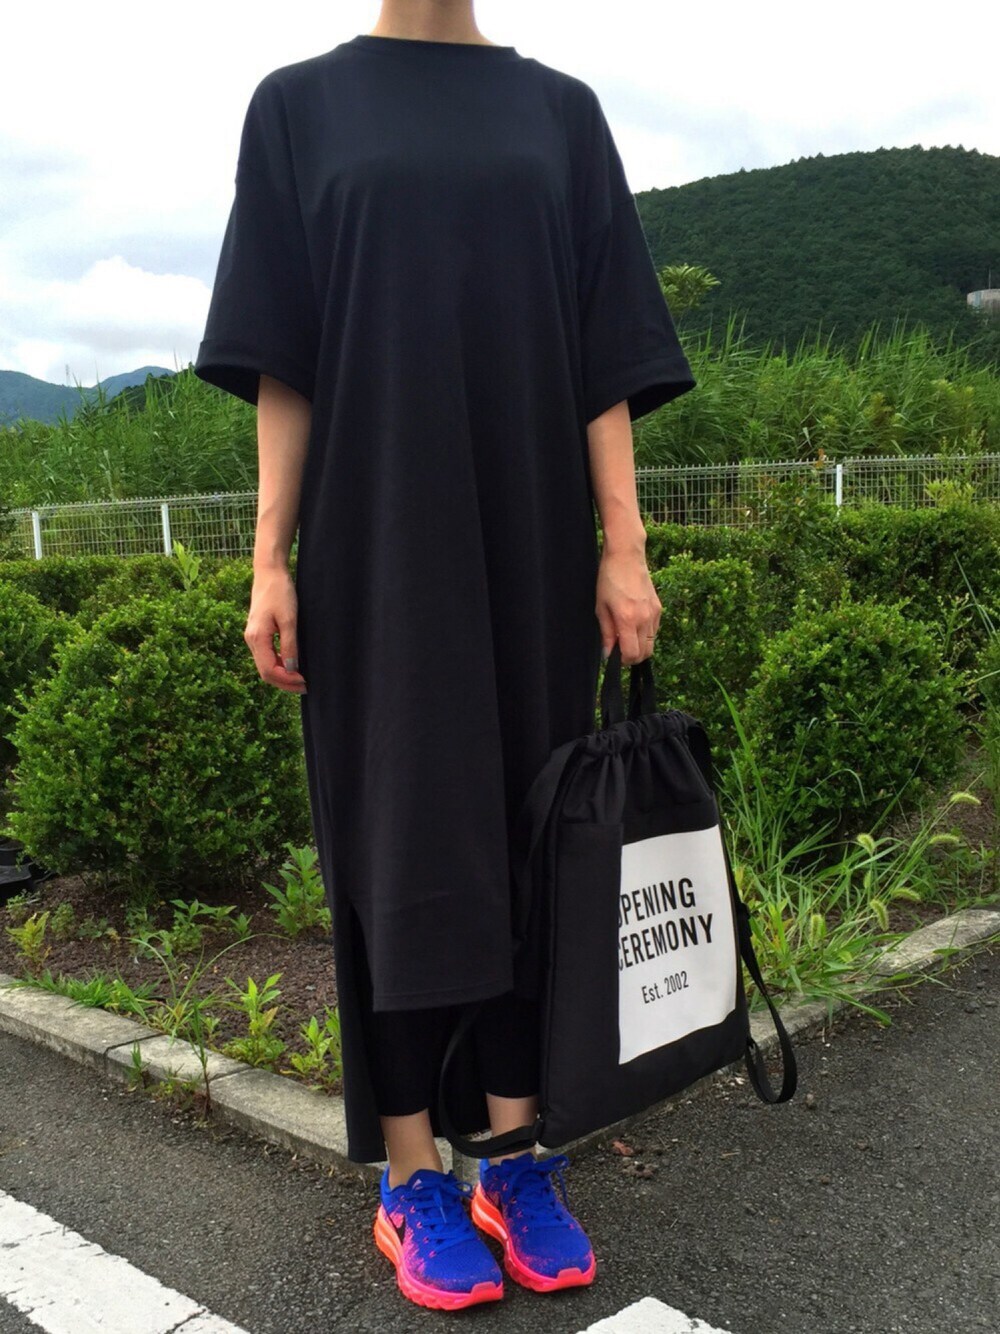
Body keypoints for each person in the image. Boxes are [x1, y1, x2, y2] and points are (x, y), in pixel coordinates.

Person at [194, 0, 696, 1313]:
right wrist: (269, 556)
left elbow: (604, 353)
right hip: (371, 548)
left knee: (536, 836)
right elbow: (283, 360)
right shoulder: (298, 108)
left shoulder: (560, 114)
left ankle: (515, 1158)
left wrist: (625, 544)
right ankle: (412, 1173)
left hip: (531, 537)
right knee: (400, 846)